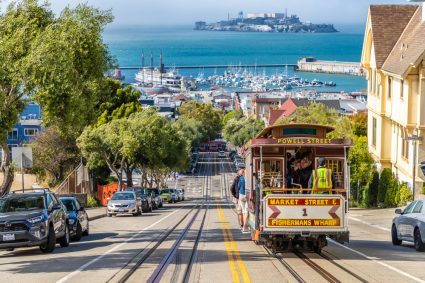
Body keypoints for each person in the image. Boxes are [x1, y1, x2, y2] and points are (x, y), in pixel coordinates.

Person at [238, 169, 249, 233]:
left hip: (241, 195)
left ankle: (244, 226)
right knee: (246, 211)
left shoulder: (241, 178)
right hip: (247, 195)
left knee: (243, 211)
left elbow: (238, 186)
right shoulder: (248, 178)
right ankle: (245, 226)